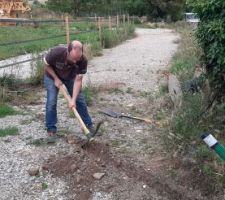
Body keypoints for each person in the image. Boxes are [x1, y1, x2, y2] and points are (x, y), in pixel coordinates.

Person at [43, 40, 94, 139]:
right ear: (68, 51)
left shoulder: (83, 60)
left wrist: (73, 100)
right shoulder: (57, 53)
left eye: (77, 59)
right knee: (51, 101)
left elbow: (78, 80)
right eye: (73, 58)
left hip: (70, 77)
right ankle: (51, 130)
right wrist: (56, 79)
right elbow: (46, 64)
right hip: (52, 76)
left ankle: (88, 125)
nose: (75, 61)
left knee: (80, 100)